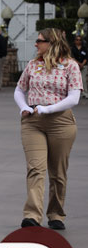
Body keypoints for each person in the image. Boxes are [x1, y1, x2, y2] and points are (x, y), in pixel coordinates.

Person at [14, 28, 82, 230]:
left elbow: (74, 97)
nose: (36, 44)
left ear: (51, 43)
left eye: (40, 41)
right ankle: (32, 216)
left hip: (61, 122)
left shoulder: (70, 66)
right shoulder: (33, 65)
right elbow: (19, 89)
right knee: (36, 168)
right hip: (33, 121)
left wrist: (48, 109)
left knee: (58, 173)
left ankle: (56, 214)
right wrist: (24, 107)